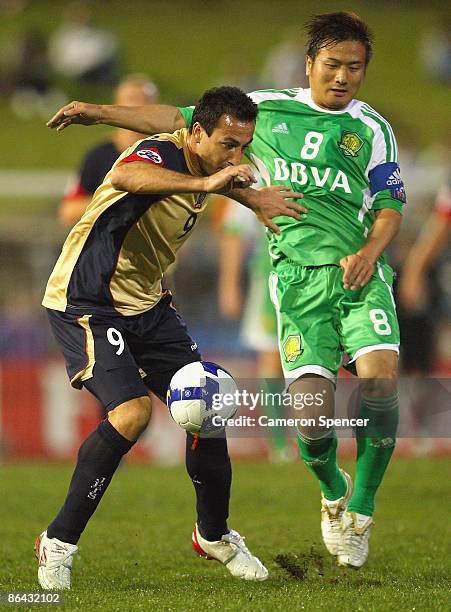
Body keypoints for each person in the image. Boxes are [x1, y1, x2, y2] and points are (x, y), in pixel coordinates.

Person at [47, 12, 406, 570]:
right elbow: (156, 145)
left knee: (231, 406)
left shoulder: (371, 129)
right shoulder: (207, 134)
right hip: (102, 301)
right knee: (155, 416)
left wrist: (257, 200)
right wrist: (97, 112)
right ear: (309, 64)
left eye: (354, 67)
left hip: (347, 276)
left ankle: (290, 521)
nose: (341, 76)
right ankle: (61, 541)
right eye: (331, 64)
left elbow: (386, 205)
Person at [37, 86, 305, 590]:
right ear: (197, 133)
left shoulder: (206, 166)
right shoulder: (160, 150)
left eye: (244, 146)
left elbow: (218, 181)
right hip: (87, 300)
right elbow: (124, 175)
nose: (237, 156)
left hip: (148, 305)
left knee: (210, 404)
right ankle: (58, 540)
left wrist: (251, 199)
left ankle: (213, 534)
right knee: (132, 414)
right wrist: (210, 180)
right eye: (229, 144)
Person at [60, 75, 159, 227]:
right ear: (116, 107)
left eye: (146, 99)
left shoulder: (165, 150)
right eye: (132, 98)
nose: (140, 105)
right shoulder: (99, 156)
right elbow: (69, 210)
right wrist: (115, 201)